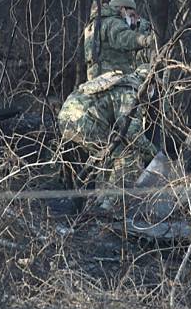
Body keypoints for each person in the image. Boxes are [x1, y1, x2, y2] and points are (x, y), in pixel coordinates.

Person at [58, 64, 157, 210]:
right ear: (149, 83)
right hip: (85, 123)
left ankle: (97, 199)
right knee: (126, 155)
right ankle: (108, 207)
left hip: (65, 119)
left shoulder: (117, 80)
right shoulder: (130, 91)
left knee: (109, 152)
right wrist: (154, 153)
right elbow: (131, 133)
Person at [84, 0, 154, 80]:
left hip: (96, 78)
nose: (133, 18)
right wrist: (144, 40)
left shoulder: (95, 24)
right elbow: (124, 37)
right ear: (122, 9)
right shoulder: (112, 22)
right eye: (131, 14)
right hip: (113, 79)